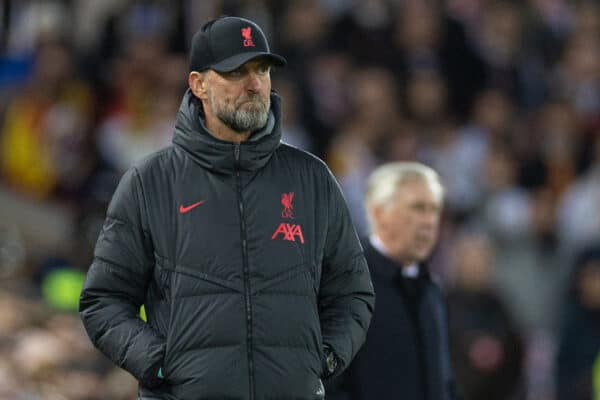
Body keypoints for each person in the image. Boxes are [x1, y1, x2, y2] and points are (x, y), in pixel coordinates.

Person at [79, 16, 374, 400]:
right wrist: (159, 362)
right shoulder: (149, 183)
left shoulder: (312, 179)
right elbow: (103, 300)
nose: (255, 84)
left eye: (263, 70)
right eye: (237, 71)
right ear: (198, 85)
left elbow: (353, 293)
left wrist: (324, 360)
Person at [331, 162, 457, 400]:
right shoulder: (344, 285)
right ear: (379, 213)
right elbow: (329, 383)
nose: (430, 222)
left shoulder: (432, 289)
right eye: (418, 208)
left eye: (434, 210)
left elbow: (444, 380)